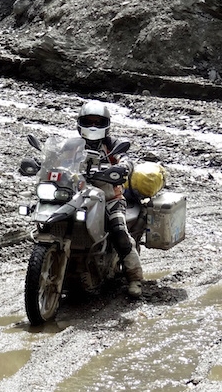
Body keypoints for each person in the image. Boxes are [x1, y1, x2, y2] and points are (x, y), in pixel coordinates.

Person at [76, 101, 143, 297]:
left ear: (106, 124)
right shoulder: (73, 145)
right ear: (80, 123)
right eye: (89, 122)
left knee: (119, 232)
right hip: (79, 196)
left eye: (98, 122)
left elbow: (126, 159)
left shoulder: (111, 145)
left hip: (110, 198)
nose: (94, 127)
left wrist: (123, 166)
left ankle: (135, 279)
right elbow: (57, 157)